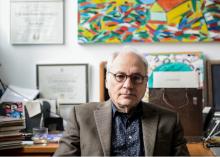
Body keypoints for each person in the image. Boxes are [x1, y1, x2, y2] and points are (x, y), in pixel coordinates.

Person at [54, 48, 189, 156]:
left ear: (145, 83)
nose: (128, 85)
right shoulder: (81, 116)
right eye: (120, 76)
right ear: (107, 81)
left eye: (136, 78)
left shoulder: (170, 120)